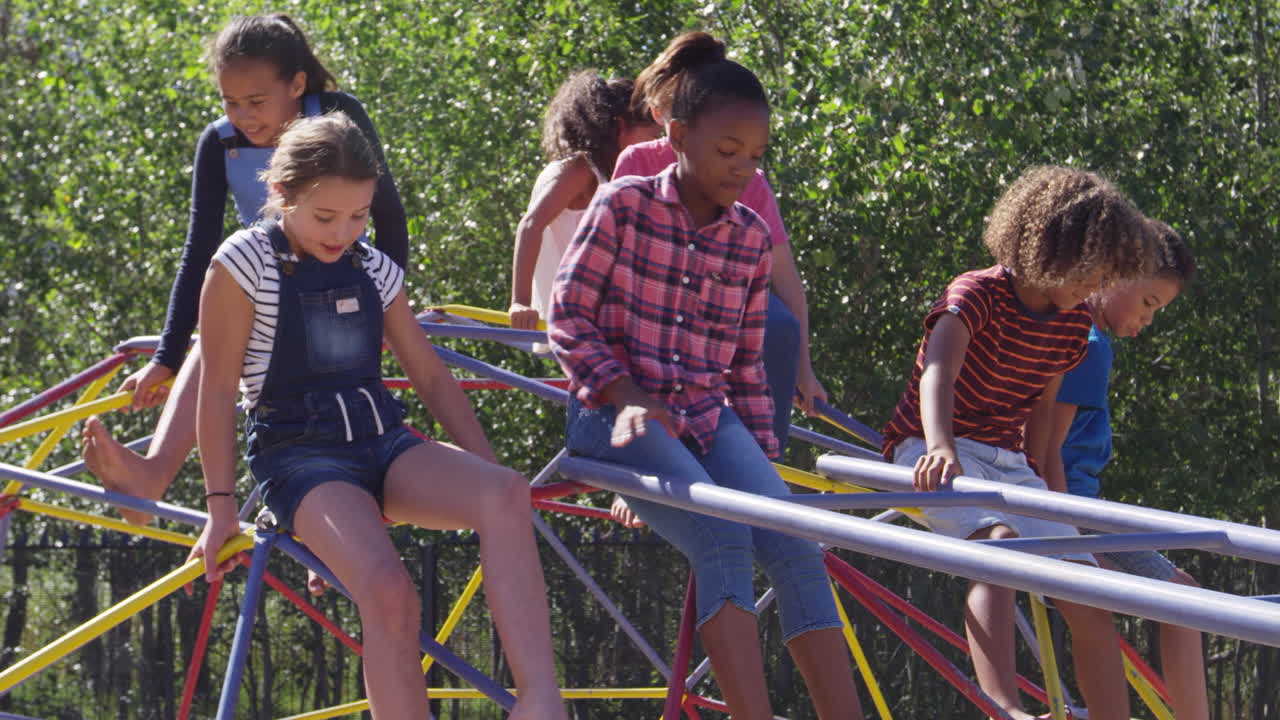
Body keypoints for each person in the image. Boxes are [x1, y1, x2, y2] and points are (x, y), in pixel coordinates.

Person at [189, 112, 567, 720]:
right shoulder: (243, 263)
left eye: (359, 215)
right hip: (301, 458)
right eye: (325, 217)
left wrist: (488, 471)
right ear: (282, 194)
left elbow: (431, 377)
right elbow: (215, 392)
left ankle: (541, 700)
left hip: (382, 442)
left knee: (507, 495)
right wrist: (220, 509)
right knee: (389, 591)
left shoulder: (371, 267)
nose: (344, 232)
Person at [549, 55, 863, 720]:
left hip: (702, 417)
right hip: (613, 414)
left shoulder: (747, 239)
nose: (742, 168)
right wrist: (626, 394)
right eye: (727, 150)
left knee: (793, 541)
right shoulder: (624, 205)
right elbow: (568, 314)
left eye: (754, 155)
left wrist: (761, 471)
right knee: (724, 537)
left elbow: (746, 367)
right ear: (679, 133)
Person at [81, 14, 409, 530]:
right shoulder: (220, 144)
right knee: (214, 340)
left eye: (256, 102)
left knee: (339, 401)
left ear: (296, 85)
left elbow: (388, 215)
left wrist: (387, 307)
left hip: (340, 284)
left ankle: (339, 520)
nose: (243, 116)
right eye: (230, 102)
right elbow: (200, 253)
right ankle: (153, 473)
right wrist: (166, 356)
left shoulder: (338, 117)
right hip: (265, 284)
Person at [881, 166, 1151, 720]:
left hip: (1006, 460)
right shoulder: (976, 293)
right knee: (997, 542)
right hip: (931, 446)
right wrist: (941, 445)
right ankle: (1001, 706)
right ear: (1053, 247)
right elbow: (938, 373)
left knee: (1088, 586)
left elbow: (1043, 414)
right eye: (1091, 272)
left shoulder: (1073, 324)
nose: (1094, 288)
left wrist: (1058, 509)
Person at [1026, 218, 1207, 720]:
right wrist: (1071, 540)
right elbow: (1046, 453)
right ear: (1114, 275)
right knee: (1185, 598)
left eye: (1159, 311)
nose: (1149, 320)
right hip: (1075, 508)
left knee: (1173, 595)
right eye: (1148, 303)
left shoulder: (1076, 332)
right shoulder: (1090, 345)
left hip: (1075, 506)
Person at [615, 31, 827, 448]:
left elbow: (788, 287)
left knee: (777, 323)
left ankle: (760, 450)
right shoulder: (638, 164)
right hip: (652, 316)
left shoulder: (750, 180)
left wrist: (803, 370)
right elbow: (609, 270)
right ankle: (642, 455)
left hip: (720, 319)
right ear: (676, 129)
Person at [507, 70, 658, 331]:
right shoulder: (580, 169)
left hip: (606, 312)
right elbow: (531, 224)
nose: (653, 146)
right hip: (578, 314)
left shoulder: (615, 176)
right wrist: (520, 302)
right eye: (651, 137)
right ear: (621, 127)